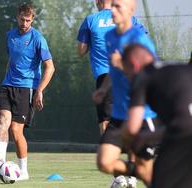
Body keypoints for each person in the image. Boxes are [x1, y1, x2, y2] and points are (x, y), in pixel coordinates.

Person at [0, 3, 55, 181]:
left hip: (27, 88)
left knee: (16, 131)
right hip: (7, 85)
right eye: (22, 19)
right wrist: (5, 79)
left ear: (32, 20)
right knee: (2, 120)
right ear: (17, 17)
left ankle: (24, 171)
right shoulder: (10, 36)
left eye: (28, 20)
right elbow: (12, 59)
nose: (25, 23)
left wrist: (39, 90)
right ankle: (0, 159)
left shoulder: (38, 38)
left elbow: (50, 67)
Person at [94, 0, 158, 187]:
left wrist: (122, 64)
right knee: (104, 162)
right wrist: (103, 90)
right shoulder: (111, 37)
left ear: (131, 10)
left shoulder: (139, 39)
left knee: (149, 177)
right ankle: (138, 172)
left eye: (118, 6)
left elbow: (149, 75)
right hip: (118, 115)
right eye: (112, 5)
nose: (112, 10)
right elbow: (113, 71)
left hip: (141, 115)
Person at [121, 43, 192, 188]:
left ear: (134, 64)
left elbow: (132, 128)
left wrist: (121, 137)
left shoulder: (143, 77)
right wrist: (149, 136)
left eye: (126, 72)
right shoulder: (180, 68)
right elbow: (182, 121)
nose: (127, 78)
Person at [77, 0, 148, 135]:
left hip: (104, 75)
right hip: (127, 74)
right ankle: (132, 151)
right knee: (130, 116)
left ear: (97, 1)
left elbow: (81, 51)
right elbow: (142, 41)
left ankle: (108, 149)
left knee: (105, 119)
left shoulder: (90, 20)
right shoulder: (129, 19)